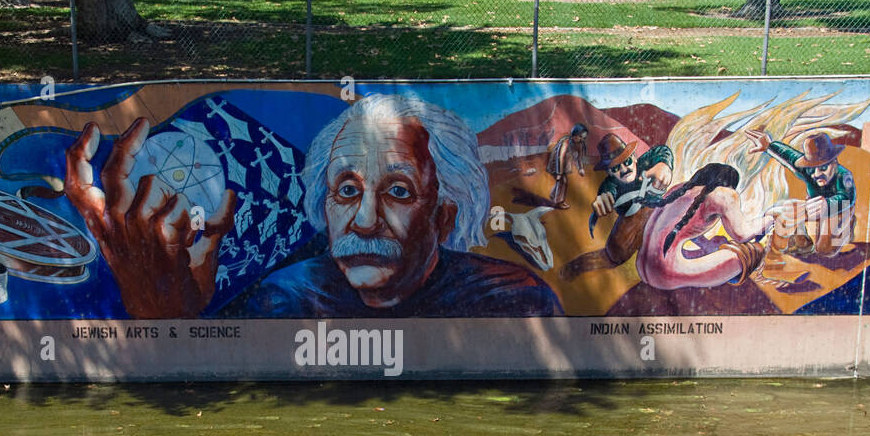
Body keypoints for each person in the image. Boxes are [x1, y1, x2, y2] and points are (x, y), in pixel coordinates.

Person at [64, 94, 563, 318]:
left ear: (444, 215)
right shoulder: (276, 302)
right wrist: (162, 318)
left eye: (398, 192)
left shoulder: (513, 302)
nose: (364, 222)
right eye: (346, 192)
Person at [633, 164, 772, 290]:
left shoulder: (680, 189)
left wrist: (706, 243)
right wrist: (770, 218)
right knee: (749, 252)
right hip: (666, 273)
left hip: (642, 266)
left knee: (717, 242)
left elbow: (681, 228)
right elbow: (742, 234)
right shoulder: (723, 194)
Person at [562, 132, 673, 279]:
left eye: (626, 162)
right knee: (614, 255)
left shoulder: (645, 162)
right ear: (609, 172)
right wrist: (603, 199)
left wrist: (663, 165)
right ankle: (573, 269)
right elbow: (607, 192)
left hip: (658, 215)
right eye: (615, 168)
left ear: (634, 158)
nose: (624, 170)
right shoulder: (610, 184)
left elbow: (662, 151)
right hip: (628, 225)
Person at [745, 129, 856, 255]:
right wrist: (769, 145)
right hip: (812, 207)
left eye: (824, 168)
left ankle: (846, 225)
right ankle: (803, 241)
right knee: (776, 213)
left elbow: (847, 197)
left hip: (838, 209)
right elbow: (789, 155)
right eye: (812, 169)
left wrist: (828, 204)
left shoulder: (843, 175)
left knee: (825, 250)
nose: (817, 174)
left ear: (834, 163)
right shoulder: (807, 170)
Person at [545, 122, 589, 208]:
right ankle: (558, 202)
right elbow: (560, 157)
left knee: (560, 181)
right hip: (556, 166)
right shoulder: (566, 142)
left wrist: (580, 168)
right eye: (580, 136)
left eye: (583, 137)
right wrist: (559, 173)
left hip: (564, 166)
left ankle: (553, 195)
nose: (581, 139)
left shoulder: (579, 144)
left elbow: (579, 158)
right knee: (563, 182)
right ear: (575, 133)